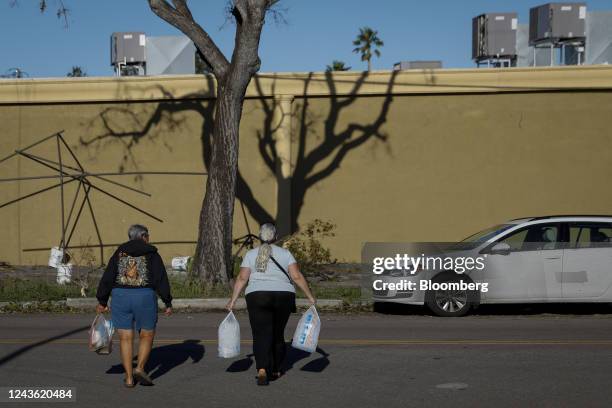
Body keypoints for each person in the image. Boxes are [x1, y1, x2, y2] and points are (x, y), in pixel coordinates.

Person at [227, 223, 316, 386]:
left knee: (261, 333)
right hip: (283, 295)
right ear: (275, 237)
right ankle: (275, 369)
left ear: (260, 237)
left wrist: (233, 300)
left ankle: (262, 368)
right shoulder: (286, 253)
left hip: (257, 296)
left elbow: (241, 278)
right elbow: (296, 276)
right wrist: (310, 296)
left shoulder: (251, 254)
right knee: (277, 333)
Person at [96, 224, 173, 388]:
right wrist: (167, 301)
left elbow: (108, 277)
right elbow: (160, 278)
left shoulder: (119, 253)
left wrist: (102, 301)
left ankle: (129, 378)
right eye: (148, 235)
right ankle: (139, 368)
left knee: (125, 338)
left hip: (120, 297)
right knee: (146, 335)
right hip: (144, 297)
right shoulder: (151, 253)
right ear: (143, 236)